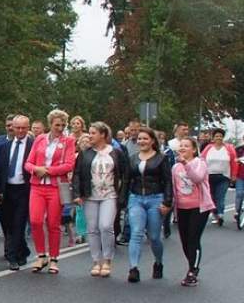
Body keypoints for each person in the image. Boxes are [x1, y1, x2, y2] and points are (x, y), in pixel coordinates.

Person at [72, 121, 127, 278]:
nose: (90, 136)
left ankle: (107, 259)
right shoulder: (86, 153)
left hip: (109, 195)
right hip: (90, 195)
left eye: (93, 133)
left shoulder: (116, 152)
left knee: (106, 225)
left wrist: (123, 194)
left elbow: (125, 174)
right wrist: (77, 194)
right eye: (89, 133)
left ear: (103, 135)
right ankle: (96, 261)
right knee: (93, 228)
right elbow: (77, 174)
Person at [25, 110, 76, 274]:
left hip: (55, 186)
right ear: (50, 124)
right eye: (57, 125)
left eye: (62, 125)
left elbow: (69, 164)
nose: (60, 128)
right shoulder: (39, 139)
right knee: (35, 220)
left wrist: (48, 170)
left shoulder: (68, 141)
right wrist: (36, 169)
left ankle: (54, 258)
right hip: (37, 186)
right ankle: (41, 255)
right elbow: (28, 163)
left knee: (53, 223)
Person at [124, 127, 173, 283]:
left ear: (152, 140)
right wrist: (122, 200)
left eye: (145, 138)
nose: (141, 141)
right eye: (139, 139)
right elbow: (126, 180)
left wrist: (167, 202)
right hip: (136, 198)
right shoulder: (132, 158)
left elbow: (167, 181)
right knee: (136, 232)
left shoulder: (161, 158)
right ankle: (134, 268)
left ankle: (158, 262)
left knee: (153, 236)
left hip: (155, 199)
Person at [0, 115, 33, 270]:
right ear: (12, 128)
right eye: (18, 128)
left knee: (19, 223)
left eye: (24, 128)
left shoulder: (33, 145)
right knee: (8, 224)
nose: (20, 131)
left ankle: (12, 256)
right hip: (6, 190)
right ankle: (23, 251)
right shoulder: (4, 147)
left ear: (28, 128)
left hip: (24, 189)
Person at [173, 137, 214, 286]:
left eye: (186, 146)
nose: (182, 148)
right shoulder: (175, 167)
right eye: (181, 146)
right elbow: (174, 188)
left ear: (193, 149)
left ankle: (193, 270)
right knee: (185, 241)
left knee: (193, 238)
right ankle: (191, 265)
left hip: (199, 207)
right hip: (182, 207)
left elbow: (197, 178)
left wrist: (185, 163)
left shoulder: (200, 163)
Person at [199, 127, 237, 225]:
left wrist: (233, 175)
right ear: (213, 138)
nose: (218, 138)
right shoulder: (208, 148)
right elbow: (201, 160)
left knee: (220, 196)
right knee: (211, 197)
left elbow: (234, 162)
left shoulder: (228, 148)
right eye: (216, 136)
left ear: (223, 137)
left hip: (223, 177)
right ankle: (215, 213)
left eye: (220, 136)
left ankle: (220, 215)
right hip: (209, 176)